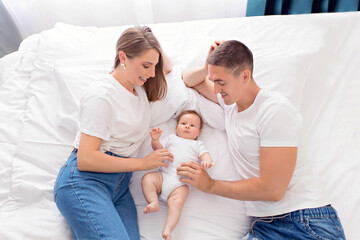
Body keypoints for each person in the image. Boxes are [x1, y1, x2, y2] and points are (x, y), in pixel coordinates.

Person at [178, 40, 346, 239]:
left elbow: (272, 189)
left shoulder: (274, 110)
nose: (215, 90)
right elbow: (188, 79)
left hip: (304, 220)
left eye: (221, 82)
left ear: (245, 76)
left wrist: (210, 185)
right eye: (213, 81)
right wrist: (208, 66)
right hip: (265, 225)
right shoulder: (230, 104)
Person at [53, 26, 174, 240]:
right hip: (86, 181)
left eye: (154, 66)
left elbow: (168, 66)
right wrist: (143, 163)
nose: (152, 73)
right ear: (123, 57)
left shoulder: (139, 87)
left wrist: (148, 36)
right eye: (146, 66)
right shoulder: (101, 96)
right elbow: (86, 159)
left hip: (119, 187)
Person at [141, 110, 213, 240]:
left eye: (192, 126)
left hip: (180, 183)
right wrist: (155, 140)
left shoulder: (197, 144)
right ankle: (153, 201)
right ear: (176, 127)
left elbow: (205, 154)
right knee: (147, 178)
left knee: (177, 204)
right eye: (184, 123)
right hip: (163, 176)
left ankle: (168, 229)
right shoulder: (171, 138)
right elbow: (158, 148)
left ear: (199, 132)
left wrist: (206, 160)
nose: (187, 126)